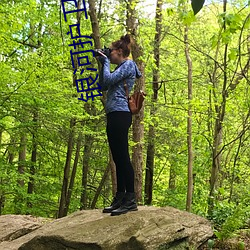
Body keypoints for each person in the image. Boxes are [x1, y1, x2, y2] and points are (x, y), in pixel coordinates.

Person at [97, 34, 142, 216]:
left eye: (111, 52)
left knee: (122, 157)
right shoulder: (120, 68)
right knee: (117, 157)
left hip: (121, 114)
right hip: (113, 113)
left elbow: (108, 80)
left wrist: (105, 62)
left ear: (120, 52)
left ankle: (130, 199)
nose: (110, 55)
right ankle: (121, 196)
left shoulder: (129, 65)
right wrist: (104, 63)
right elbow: (103, 84)